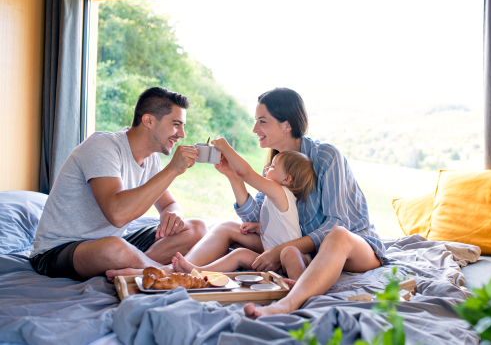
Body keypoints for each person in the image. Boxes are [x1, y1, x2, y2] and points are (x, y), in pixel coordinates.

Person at [107, 87, 385, 318]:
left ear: (286, 124)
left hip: (353, 248)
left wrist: (281, 250)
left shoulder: (326, 156)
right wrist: (232, 177)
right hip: (299, 247)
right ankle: (172, 273)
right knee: (227, 227)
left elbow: (338, 224)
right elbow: (256, 218)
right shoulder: (276, 165)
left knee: (337, 235)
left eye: (262, 121)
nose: (254, 128)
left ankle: (287, 304)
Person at [30, 87, 207, 281]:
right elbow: (117, 214)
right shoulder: (102, 146)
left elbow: (168, 204)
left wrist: (172, 215)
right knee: (115, 249)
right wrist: (172, 170)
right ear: (148, 120)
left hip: (114, 242)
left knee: (196, 229)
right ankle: (164, 273)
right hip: (58, 251)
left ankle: (139, 269)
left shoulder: (151, 160)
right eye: (176, 124)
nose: (181, 134)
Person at [172, 141, 316, 283]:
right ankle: (199, 272)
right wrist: (258, 227)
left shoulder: (281, 192)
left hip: (296, 259)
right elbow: (278, 226)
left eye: (272, 166)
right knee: (240, 254)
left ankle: (299, 284)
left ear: (286, 179)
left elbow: (246, 174)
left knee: (289, 252)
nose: (266, 169)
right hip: (272, 259)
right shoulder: (274, 197)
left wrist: (226, 148)